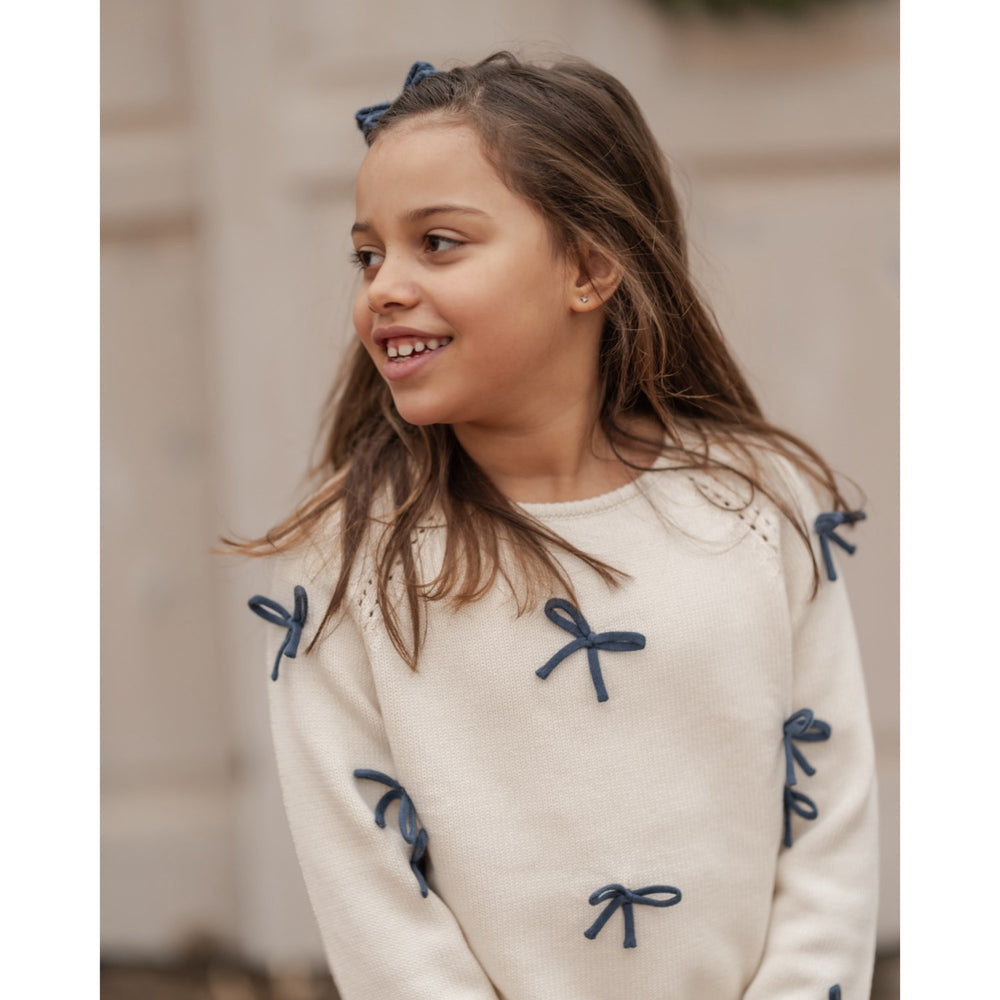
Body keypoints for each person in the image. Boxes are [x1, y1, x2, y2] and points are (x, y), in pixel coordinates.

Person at [235, 52, 878, 999]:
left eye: (438, 243)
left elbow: (830, 817)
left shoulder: (760, 502)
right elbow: (375, 907)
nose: (382, 287)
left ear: (589, 266)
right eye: (368, 255)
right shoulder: (341, 561)